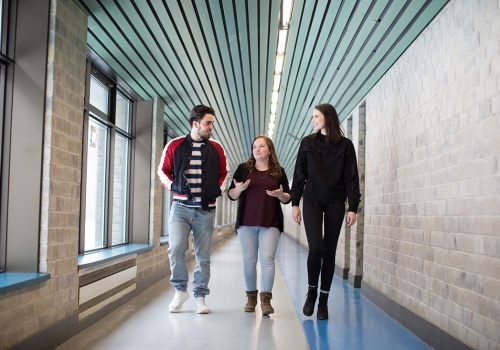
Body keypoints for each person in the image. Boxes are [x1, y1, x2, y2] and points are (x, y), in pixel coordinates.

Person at [290, 103, 361, 320]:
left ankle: (323, 301)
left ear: (328, 117)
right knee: (316, 248)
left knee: (330, 252)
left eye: (316, 116)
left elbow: (351, 177)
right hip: (311, 200)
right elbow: (299, 173)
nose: (313, 120)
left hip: (335, 202)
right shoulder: (307, 142)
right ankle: (311, 292)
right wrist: (295, 203)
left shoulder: (346, 146)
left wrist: (353, 207)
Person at [157, 104, 230, 314]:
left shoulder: (216, 147)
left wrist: (218, 189)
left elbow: (224, 172)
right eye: (208, 123)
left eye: (212, 123)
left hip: (206, 210)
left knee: (203, 255)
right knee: (176, 248)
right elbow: (163, 171)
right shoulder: (175, 145)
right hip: (180, 208)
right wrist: (174, 186)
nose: (211, 127)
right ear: (195, 124)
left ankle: (200, 296)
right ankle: (181, 291)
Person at [228, 135, 290, 315]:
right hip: (247, 222)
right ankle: (251, 298)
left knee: (267, 260)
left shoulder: (278, 171)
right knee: (249, 261)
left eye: (261, 146)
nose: (257, 149)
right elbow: (231, 195)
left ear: (269, 150)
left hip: (271, 222)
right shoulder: (243, 169)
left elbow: (287, 197)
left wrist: (279, 195)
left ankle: (266, 300)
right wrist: (238, 189)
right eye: (255, 146)